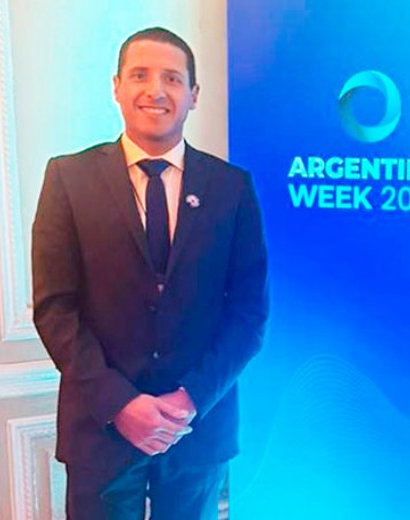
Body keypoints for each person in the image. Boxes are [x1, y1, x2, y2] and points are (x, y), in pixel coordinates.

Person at [32, 27, 268, 519]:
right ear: (116, 87)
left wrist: (190, 400)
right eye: (140, 75)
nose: (155, 90)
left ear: (193, 95)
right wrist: (120, 404)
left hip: (196, 430)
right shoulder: (68, 178)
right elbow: (56, 310)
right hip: (100, 430)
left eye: (172, 78)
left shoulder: (232, 188)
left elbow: (249, 315)